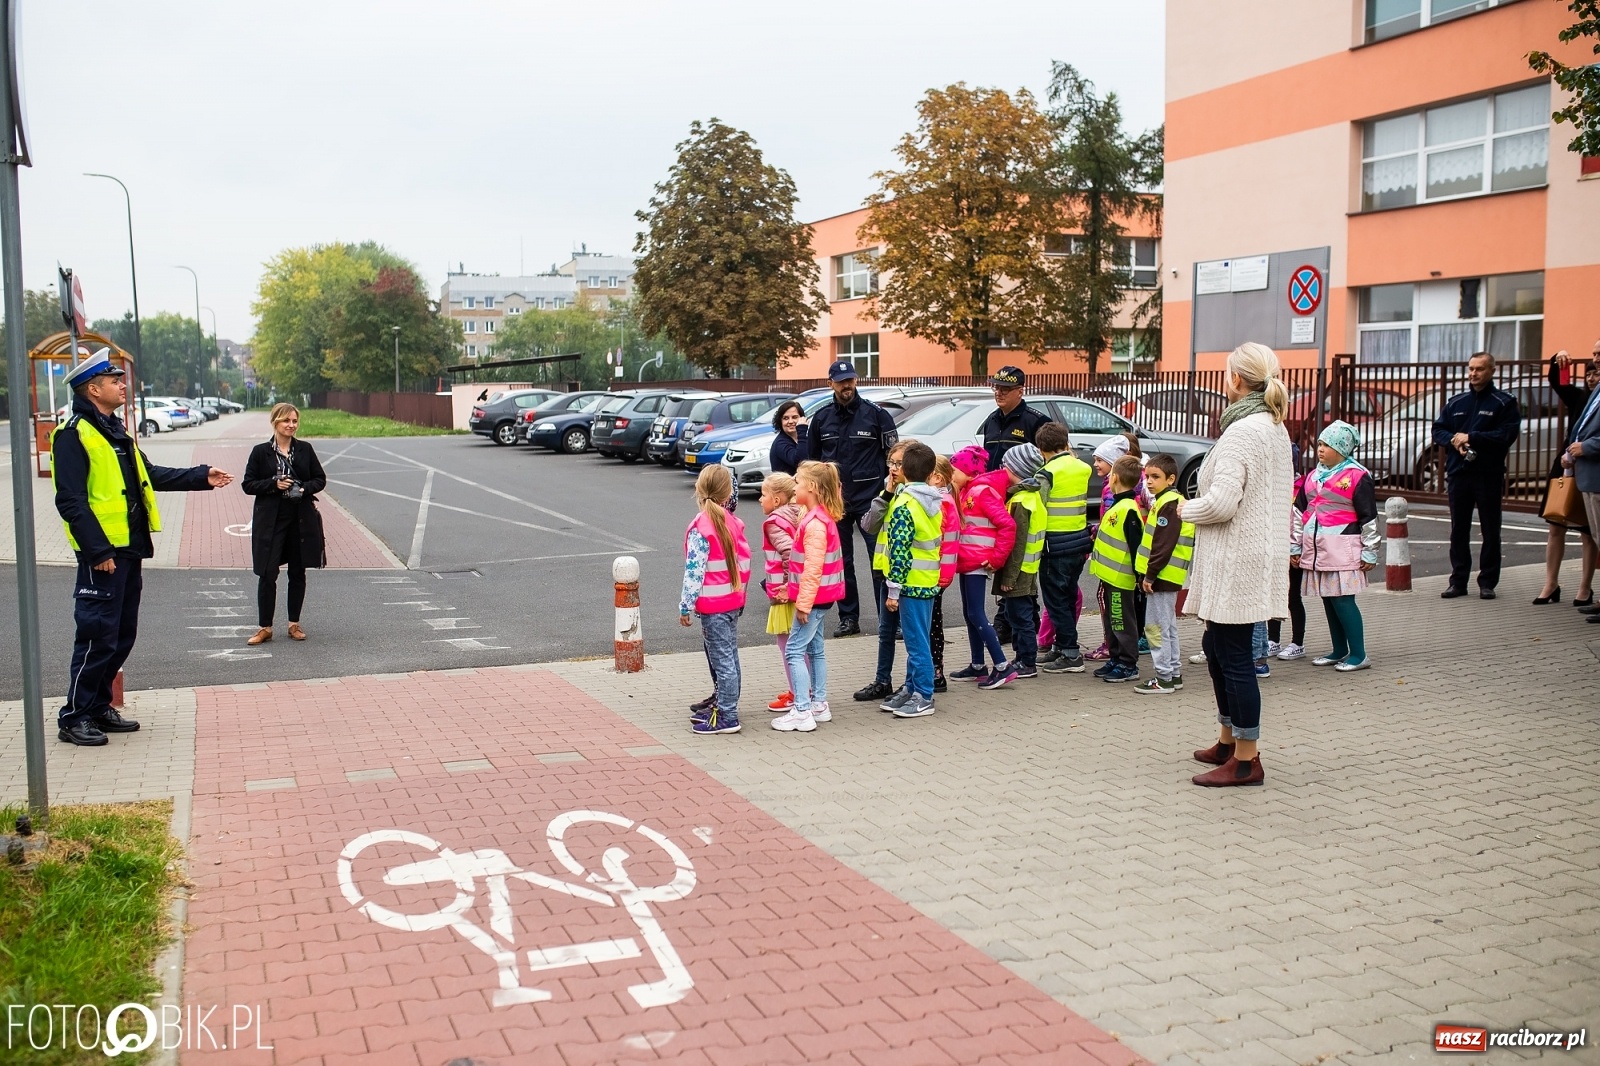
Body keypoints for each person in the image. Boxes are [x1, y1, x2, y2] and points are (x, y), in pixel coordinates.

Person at [51, 350, 233, 746]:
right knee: (97, 634)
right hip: (103, 554)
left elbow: (147, 475)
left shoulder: (114, 430)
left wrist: (201, 476)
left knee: (121, 634)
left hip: (129, 550)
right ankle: (75, 716)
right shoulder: (73, 434)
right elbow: (71, 501)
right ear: (93, 388)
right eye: (114, 380)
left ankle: (98, 707)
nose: (122, 384)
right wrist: (98, 552)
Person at [1177, 341, 1293, 788]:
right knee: (1218, 649)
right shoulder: (1271, 425)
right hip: (1252, 554)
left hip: (1237, 559)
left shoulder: (1244, 431)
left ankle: (1246, 759)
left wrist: (1181, 510)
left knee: (1235, 657)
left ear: (1237, 381)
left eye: (1227, 374)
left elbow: (1223, 504)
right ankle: (1228, 739)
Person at [806, 360, 898, 636]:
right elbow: (812, 462)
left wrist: (890, 491)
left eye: (851, 380)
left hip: (872, 500)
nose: (847, 385)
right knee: (842, 562)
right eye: (841, 381)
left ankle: (888, 618)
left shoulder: (876, 415)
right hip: (835, 502)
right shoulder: (821, 419)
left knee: (879, 559)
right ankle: (849, 618)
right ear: (830, 383)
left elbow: (893, 458)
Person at [1432, 352, 1521, 600]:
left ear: (1492, 370)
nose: (1473, 374)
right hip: (1459, 474)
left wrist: (1472, 438)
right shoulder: (1456, 402)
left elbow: (1506, 434)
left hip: (1487, 475)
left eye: (1479, 369)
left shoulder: (1503, 402)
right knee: (1458, 529)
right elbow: (1438, 429)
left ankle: (1487, 581)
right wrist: (1453, 440)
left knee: (1491, 530)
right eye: (1471, 369)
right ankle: (1458, 581)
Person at [1294, 420, 1379, 670]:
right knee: (1329, 599)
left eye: (1328, 445)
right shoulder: (1313, 476)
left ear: (1343, 449)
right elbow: (1299, 513)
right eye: (1319, 443)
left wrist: (1370, 552)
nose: (1320, 449)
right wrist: (1295, 547)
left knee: (1343, 600)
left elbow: (1369, 517)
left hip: (1343, 548)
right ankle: (1339, 649)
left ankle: (1359, 654)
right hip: (1317, 549)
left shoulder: (1357, 475)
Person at [242, 403, 327, 646]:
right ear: (275, 423)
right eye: (286, 421)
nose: (291, 425)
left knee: (297, 572)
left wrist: (303, 488)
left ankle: (293, 624)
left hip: (300, 520)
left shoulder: (305, 449)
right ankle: (265, 627)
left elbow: (319, 479)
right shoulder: (260, 452)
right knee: (268, 573)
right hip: (271, 521)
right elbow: (248, 485)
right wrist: (273, 483)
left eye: (294, 421)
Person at [773, 461, 848, 731]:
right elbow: (807, 568)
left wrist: (802, 603)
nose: (795, 485)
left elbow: (813, 569)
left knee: (794, 651)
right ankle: (819, 703)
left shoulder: (815, 524)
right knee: (816, 650)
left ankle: (802, 710)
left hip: (813, 600)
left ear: (812, 487)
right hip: (822, 597)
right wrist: (791, 590)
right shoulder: (820, 518)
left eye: (798, 481)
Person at [680, 465, 751, 735]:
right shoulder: (732, 521)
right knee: (729, 656)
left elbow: (693, 572)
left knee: (721, 660)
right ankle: (726, 704)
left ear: (699, 489)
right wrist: (740, 594)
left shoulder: (701, 526)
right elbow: (744, 562)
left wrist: (686, 604)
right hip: (732, 601)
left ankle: (728, 716)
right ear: (728, 493)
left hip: (712, 606)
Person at [877, 442, 944, 718]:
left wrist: (894, 590)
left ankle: (923, 695)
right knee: (918, 640)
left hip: (911, 584)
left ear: (903, 469)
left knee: (917, 645)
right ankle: (911, 687)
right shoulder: (929, 499)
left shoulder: (905, 504)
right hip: (927, 580)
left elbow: (900, 552)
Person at [980, 444, 1047, 689]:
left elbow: (1017, 545)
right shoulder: (1031, 496)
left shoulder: (1020, 501)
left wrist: (1008, 576)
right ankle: (1024, 657)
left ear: (1016, 470)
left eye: (1006, 466)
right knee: (1023, 614)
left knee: (1019, 617)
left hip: (1018, 571)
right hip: (1028, 568)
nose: (1002, 469)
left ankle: (1026, 661)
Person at [947, 445, 1016, 684]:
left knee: (977, 613)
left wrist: (997, 558)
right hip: (968, 559)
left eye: (953, 469)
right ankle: (978, 665)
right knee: (969, 613)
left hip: (978, 560)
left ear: (968, 471)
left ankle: (1002, 665)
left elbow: (1007, 525)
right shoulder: (967, 490)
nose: (950, 474)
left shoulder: (982, 492)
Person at [1539, 346, 1598, 607]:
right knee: (1556, 524)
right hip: (1566, 468)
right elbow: (1557, 382)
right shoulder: (1581, 398)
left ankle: (1585, 588)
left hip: (1591, 468)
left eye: (1595, 373)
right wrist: (1559, 360)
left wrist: (1584, 449)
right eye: (1588, 373)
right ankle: (1550, 583)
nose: (1591, 378)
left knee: (1590, 532)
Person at [854, 441, 910, 703]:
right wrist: (886, 494)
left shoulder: (919, 496)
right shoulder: (890, 492)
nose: (894, 469)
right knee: (885, 631)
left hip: (910, 576)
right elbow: (868, 525)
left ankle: (912, 684)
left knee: (912, 634)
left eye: (899, 463)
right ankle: (882, 680)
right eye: (891, 463)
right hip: (885, 572)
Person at [1132, 453, 1193, 694]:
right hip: (1168, 575)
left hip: (1162, 575)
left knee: (1155, 628)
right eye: (1146, 476)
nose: (1148, 481)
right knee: (1167, 627)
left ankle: (1163, 677)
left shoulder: (1168, 504)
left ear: (1171, 479)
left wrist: (1150, 575)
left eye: (1155, 477)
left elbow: (1163, 544)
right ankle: (1173, 673)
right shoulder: (1170, 501)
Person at [1035, 422, 1093, 674]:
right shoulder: (1082, 467)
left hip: (1054, 544)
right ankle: (1061, 646)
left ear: (1041, 448)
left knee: (1055, 600)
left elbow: (1038, 505)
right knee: (1068, 596)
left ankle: (1070, 653)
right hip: (1078, 540)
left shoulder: (1046, 473)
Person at [1089, 455, 1145, 684]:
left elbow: (1136, 546)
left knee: (1122, 621)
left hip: (1122, 579)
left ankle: (1128, 663)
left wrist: (1139, 576)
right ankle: (1115, 657)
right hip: (1110, 578)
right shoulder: (1119, 506)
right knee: (1112, 621)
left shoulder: (1129, 509)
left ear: (1116, 478)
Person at [757, 473, 804, 712]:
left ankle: (798, 693)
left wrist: (786, 584)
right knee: (800, 645)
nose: (759, 499)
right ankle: (803, 690)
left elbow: (789, 552)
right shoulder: (798, 513)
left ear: (776, 500)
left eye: (763, 495)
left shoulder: (775, 522)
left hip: (784, 594)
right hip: (799, 590)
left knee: (787, 644)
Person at [1560, 345, 1600, 624]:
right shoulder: (1597, 389)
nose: (1595, 359)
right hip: (1588, 475)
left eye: (1599, 354)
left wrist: (1587, 446)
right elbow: (1584, 422)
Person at [927, 453, 960, 692]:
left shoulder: (940, 503)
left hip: (935, 574)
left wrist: (941, 577)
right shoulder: (943, 499)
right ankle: (934, 669)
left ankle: (936, 671)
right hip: (937, 573)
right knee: (931, 624)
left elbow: (942, 543)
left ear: (937, 478)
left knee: (931, 625)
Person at [979, 365, 1052, 472]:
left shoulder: (1038, 422)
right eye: (996, 387)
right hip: (993, 485)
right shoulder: (991, 420)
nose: (998, 393)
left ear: (1020, 392)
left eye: (1004, 389)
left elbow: (1048, 463)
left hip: (1021, 487)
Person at [768, 400, 809, 477]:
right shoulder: (780, 443)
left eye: (794, 417)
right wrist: (802, 432)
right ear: (780, 421)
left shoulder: (802, 439)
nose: (790, 421)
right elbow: (801, 463)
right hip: (785, 488)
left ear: (802, 418)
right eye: (786, 418)